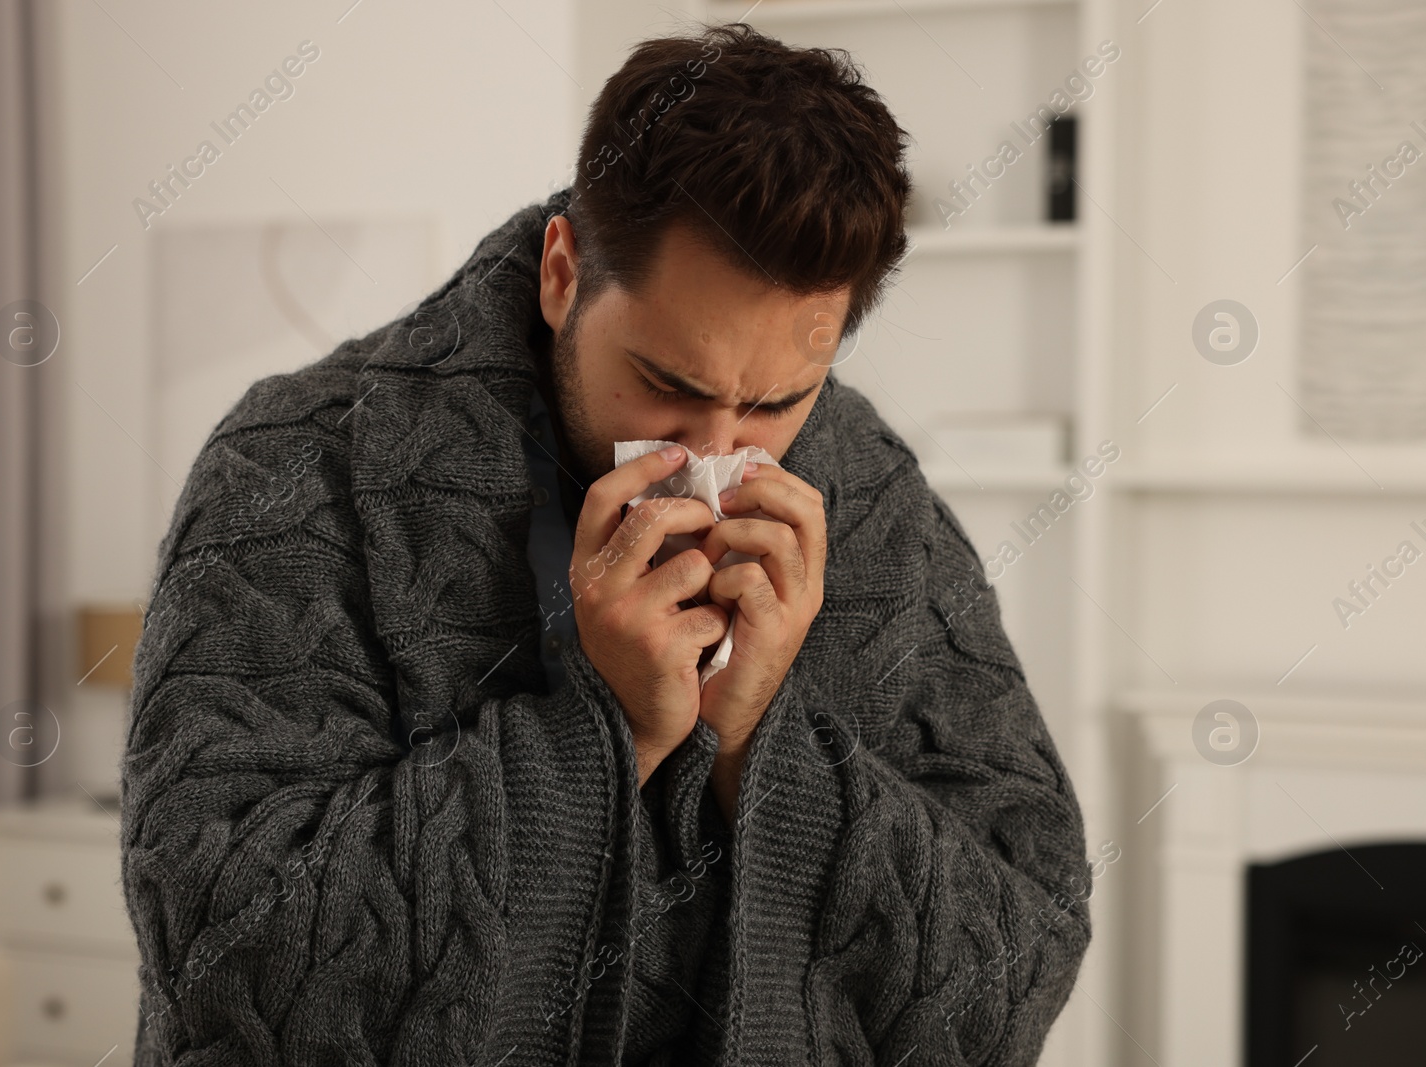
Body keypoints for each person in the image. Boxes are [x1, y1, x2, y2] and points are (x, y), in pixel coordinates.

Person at [120, 21, 1092, 1066]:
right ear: (561, 273)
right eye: (669, 385)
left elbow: (1019, 956)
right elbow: (227, 954)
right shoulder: (292, 466)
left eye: (774, 403)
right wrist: (608, 725)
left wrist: (758, 736)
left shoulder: (875, 500)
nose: (712, 452)